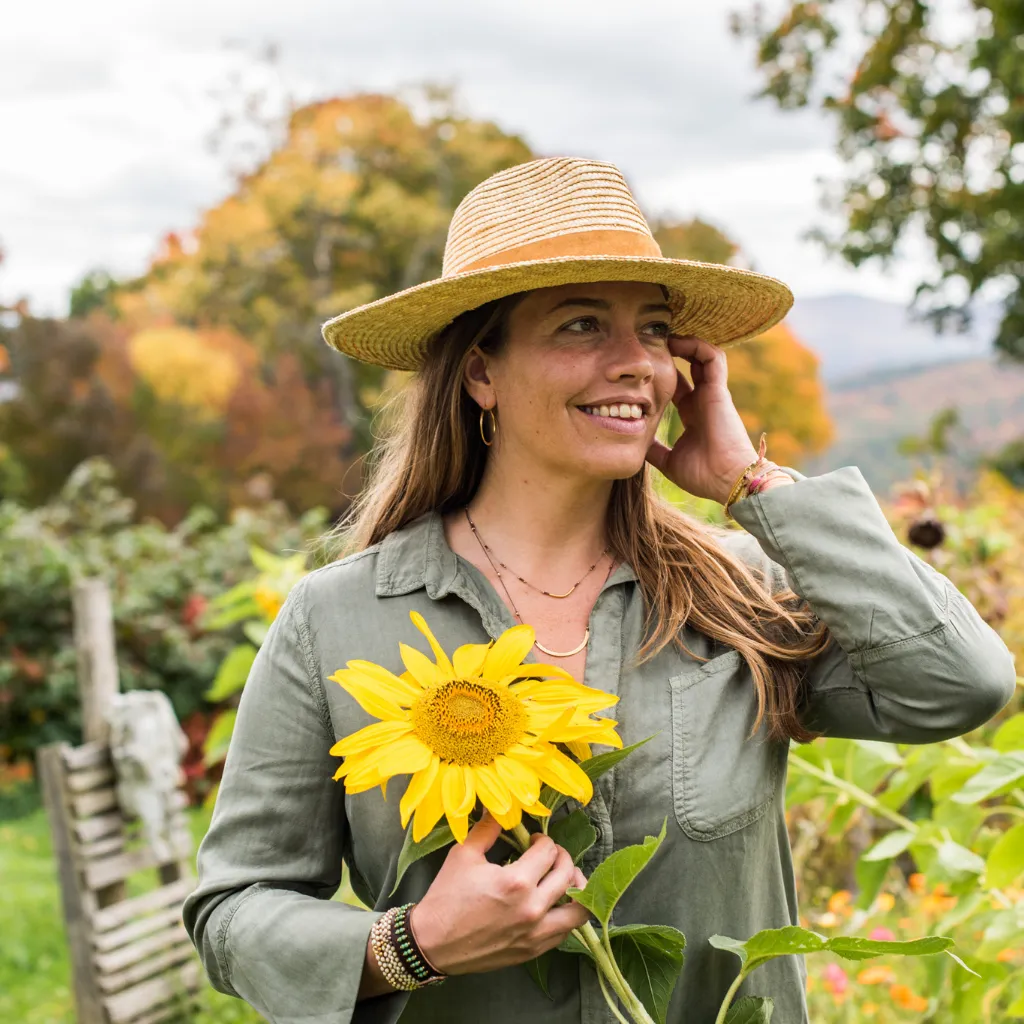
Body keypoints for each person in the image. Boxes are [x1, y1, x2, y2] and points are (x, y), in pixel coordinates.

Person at [183, 157, 1016, 1024]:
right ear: (481, 375)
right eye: (582, 325)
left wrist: (750, 482)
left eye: (654, 332)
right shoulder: (337, 620)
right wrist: (409, 946)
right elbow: (234, 911)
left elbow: (963, 682)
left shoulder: (744, 596)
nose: (636, 366)